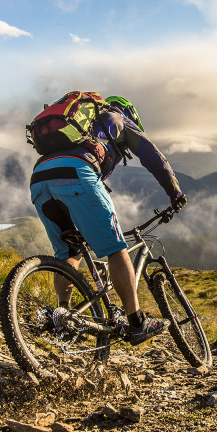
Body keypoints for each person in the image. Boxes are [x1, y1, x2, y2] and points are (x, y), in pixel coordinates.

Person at [28, 92, 188, 345]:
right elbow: (152, 156)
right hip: (76, 172)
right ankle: (137, 323)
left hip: (39, 178)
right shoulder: (118, 118)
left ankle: (64, 317)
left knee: (69, 253)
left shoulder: (80, 126)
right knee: (115, 249)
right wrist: (175, 192)